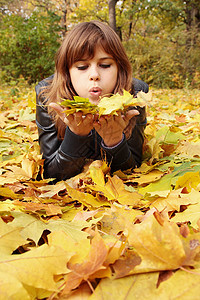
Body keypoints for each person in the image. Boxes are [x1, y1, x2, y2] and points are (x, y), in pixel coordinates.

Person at [35, 20, 149, 181]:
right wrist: (76, 136)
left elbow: (133, 171)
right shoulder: (46, 95)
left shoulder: (135, 93)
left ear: (119, 68)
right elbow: (51, 175)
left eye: (105, 65)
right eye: (82, 67)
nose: (94, 75)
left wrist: (114, 142)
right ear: (67, 71)